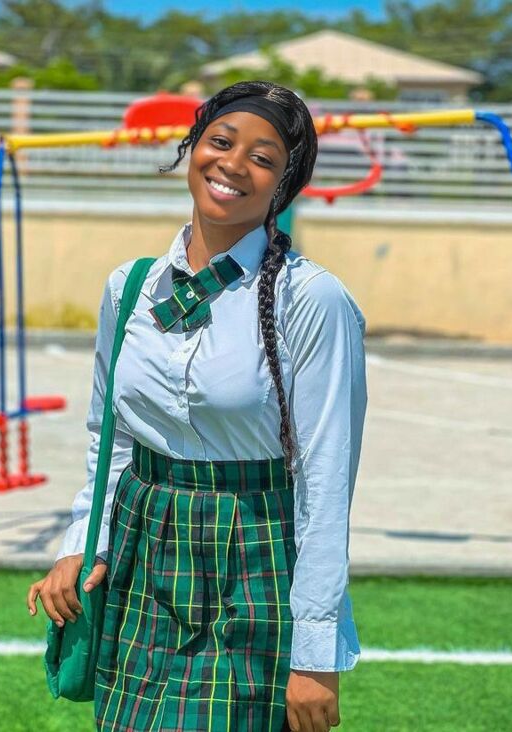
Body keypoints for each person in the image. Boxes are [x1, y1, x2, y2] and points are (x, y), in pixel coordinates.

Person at [26, 80, 368, 732]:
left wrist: (315, 653)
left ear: (285, 184)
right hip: (143, 544)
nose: (233, 164)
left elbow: (325, 483)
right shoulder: (129, 287)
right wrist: (83, 542)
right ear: (192, 147)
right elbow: (111, 435)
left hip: (253, 552)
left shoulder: (313, 300)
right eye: (221, 141)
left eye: (263, 158)